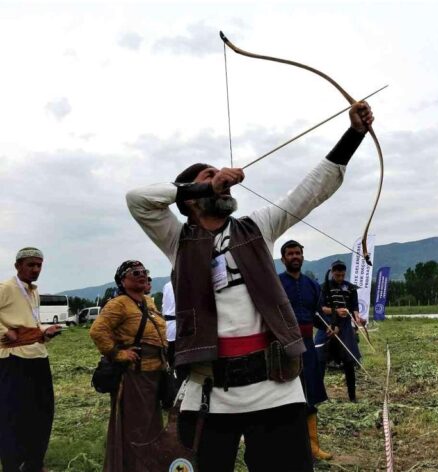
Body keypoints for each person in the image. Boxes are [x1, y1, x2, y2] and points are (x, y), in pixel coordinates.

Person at [125, 102, 374, 472]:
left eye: (216, 174)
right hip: (209, 389)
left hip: (274, 385)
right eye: (209, 177)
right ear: (189, 200)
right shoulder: (178, 238)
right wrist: (202, 184)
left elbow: (310, 191)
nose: (220, 178)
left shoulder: (257, 226)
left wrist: (353, 134)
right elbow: (137, 200)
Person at [89, 260, 167, 472]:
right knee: (137, 428)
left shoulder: (148, 302)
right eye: (135, 273)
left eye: (144, 272)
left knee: (152, 425)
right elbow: (97, 331)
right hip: (134, 376)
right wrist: (117, 353)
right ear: (123, 280)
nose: (142, 275)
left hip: (154, 373)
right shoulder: (118, 304)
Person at [0, 247, 62, 472]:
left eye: (39, 265)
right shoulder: (6, 288)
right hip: (13, 359)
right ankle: (12, 465)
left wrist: (44, 331)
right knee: (13, 415)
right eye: (30, 265)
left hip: (37, 356)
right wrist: (4, 332)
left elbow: (30, 321)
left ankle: (34, 463)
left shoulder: (33, 291)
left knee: (43, 412)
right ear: (18, 266)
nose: (36, 269)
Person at [279, 240, 333, 461]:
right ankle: (288, 448)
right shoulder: (276, 283)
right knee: (286, 398)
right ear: (283, 259)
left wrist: (330, 325)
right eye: (290, 253)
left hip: (309, 346)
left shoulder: (312, 285)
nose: (295, 256)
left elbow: (318, 314)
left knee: (310, 393)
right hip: (284, 349)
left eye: (298, 253)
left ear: (303, 256)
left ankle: (312, 448)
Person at [314, 260, 363, 402]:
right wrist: (335, 311)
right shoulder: (323, 287)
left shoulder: (350, 288)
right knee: (320, 358)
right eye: (337, 275)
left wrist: (358, 318)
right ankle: (318, 396)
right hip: (328, 324)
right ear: (332, 272)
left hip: (345, 326)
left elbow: (354, 308)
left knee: (349, 361)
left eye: (342, 275)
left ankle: (352, 397)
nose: (340, 278)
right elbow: (320, 308)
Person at [162, 280, 177, 367]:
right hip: (177, 325)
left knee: (171, 356)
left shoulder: (167, 285)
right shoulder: (185, 282)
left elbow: (164, 306)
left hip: (168, 325)